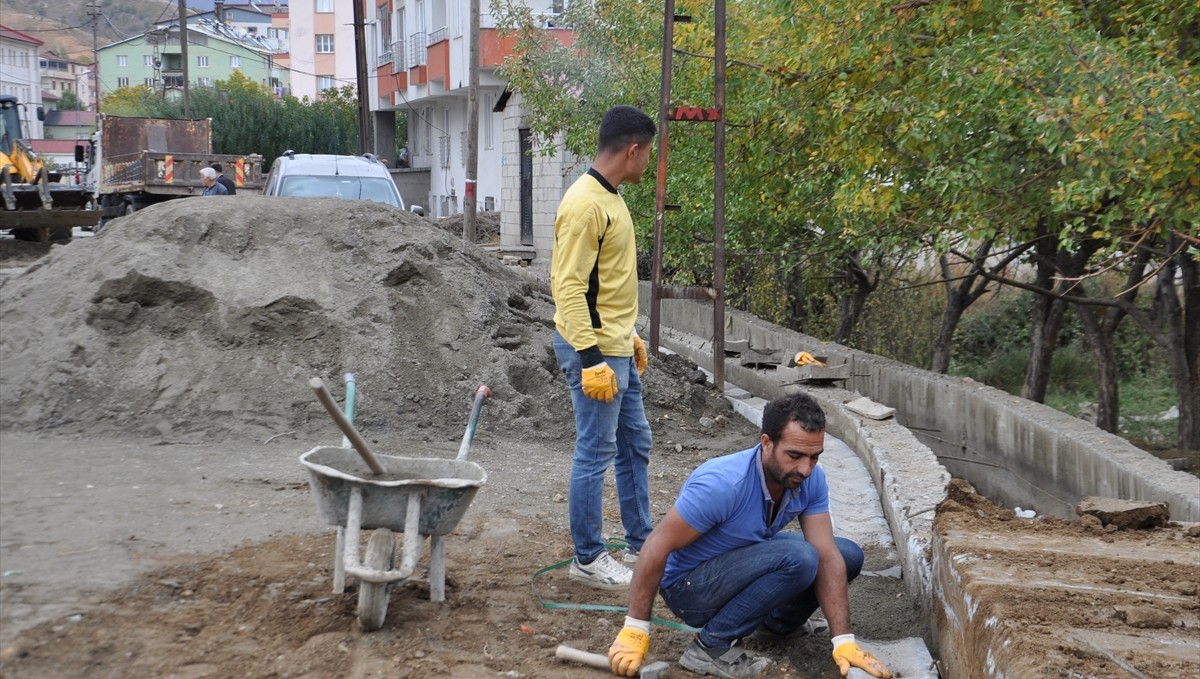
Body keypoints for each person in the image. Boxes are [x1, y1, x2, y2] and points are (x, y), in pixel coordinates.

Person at [607, 392, 893, 679]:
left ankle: (777, 626)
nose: (805, 469)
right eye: (794, 455)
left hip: (739, 562)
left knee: (847, 555)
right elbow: (656, 545)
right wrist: (635, 628)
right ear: (766, 443)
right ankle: (711, 647)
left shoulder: (810, 480)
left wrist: (844, 641)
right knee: (800, 558)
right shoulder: (723, 483)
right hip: (690, 587)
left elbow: (828, 556)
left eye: (814, 457)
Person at [550, 105, 657, 590]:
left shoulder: (611, 197)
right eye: (648, 154)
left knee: (635, 442)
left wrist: (628, 334)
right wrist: (592, 358)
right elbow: (568, 286)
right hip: (592, 351)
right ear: (632, 150)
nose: (649, 163)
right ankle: (588, 557)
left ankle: (642, 541)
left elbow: (606, 283)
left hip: (614, 344)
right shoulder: (585, 204)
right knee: (595, 451)